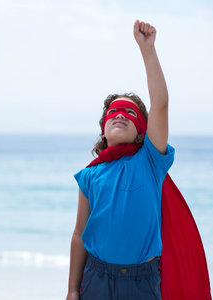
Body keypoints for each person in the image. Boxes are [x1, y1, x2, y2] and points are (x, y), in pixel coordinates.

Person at [66, 19, 172, 300]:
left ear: (143, 132)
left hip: (142, 283)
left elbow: (160, 105)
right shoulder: (89, 175)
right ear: (103, 128)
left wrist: (147, 50)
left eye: (130, 113)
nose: (121, 115)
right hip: (96, 279)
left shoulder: (150, 161)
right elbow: (79, 235)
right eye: (114, 112)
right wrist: (72, 290)